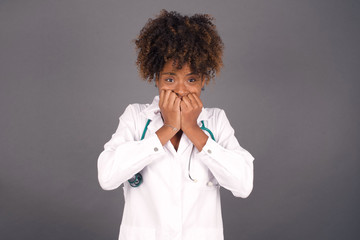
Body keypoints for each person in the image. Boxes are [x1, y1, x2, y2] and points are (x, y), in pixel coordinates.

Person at [97, 9, 255, 240]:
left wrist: (193, 130)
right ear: (156, 78)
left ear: (203, 80)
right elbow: (108, 177)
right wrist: (167, 129)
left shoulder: (216, 121)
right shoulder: (135, 117)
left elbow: (243, 185)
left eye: (191, 79)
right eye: (170, 79)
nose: (181, 89)